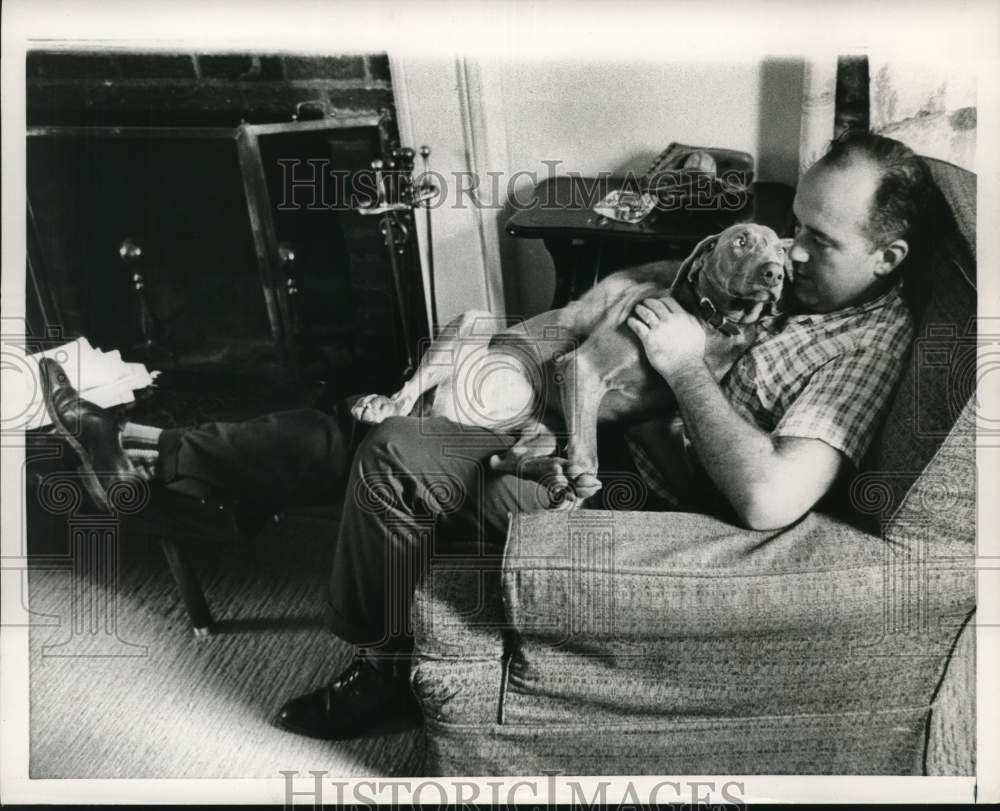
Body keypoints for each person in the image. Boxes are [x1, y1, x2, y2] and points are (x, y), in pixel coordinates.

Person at [38, 130, 933, 741]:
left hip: (632, 487)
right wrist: (616, 298)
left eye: (819, 240)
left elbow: (770, 495)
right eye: (793, 227)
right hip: (606, 424)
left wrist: (685, 362)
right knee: (386, 427)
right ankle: (160, 452)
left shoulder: (865, 344)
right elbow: (626, 314)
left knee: (391, 446)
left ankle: (368, 645)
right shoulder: (792, 281)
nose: (791, 249)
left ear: (888, 257)